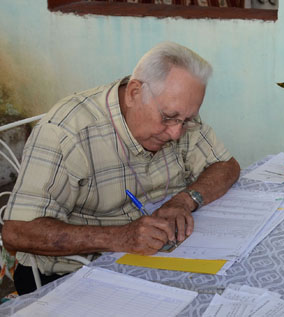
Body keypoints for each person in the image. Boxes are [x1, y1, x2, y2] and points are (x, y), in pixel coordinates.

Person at [2, 42, 240, 294]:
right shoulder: (67, 132)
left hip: (156, 259)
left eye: (187, 120)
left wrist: (183, 201)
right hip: (74, 273)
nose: (176, 132)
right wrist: (118, 237)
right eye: (168, 117)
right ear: (134, 92)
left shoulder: (179, 115)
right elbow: (18, 232)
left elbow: (226, 165)